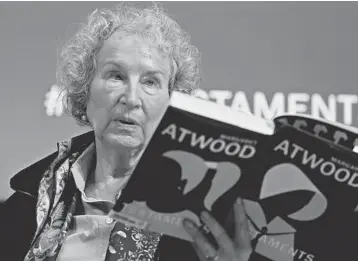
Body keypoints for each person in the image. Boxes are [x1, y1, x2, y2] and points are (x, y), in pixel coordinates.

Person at [0, 3, 253, 261]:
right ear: (85, 91)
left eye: (150, 81)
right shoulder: (26, 204)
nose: (131, 98)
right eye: (116, 76)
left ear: (171, 101)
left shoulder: (209, 220)